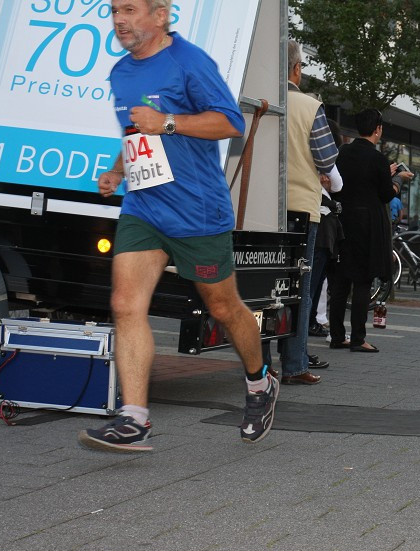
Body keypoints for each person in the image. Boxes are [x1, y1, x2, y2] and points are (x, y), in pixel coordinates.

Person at [79, 0, 277, 451]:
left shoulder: (189, 62)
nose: (119, 20)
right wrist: (118, 170)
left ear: (161, 15)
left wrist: (167, 121)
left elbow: (229, 123)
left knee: (224, 309)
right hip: (145, 207)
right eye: (114, 11)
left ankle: (260, 383)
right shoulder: (121, 72)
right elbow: (136, 134)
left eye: (130, 9)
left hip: (197, 214)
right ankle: (134, 418)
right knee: (126, 302)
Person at [275, 40, 338, 385]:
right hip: (300, 207)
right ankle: (295, 365)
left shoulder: (258, 101)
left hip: (259, 209)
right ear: (297, 68)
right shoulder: (310, 106)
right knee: (299, 288)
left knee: (263, 287)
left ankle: (257, 362)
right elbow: (327, 159)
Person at [330, 109, 412, 352]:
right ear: (377, 129)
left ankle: (337, 336)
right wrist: (398, 180)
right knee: (363, 281)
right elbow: (386, 194)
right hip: (367, 224)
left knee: (341, 281)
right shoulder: (377, 158)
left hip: (343, 220)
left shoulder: (342, 152)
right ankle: (358, 338)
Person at [307, 119, 344, 340]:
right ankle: (312, 322)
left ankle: (311, 321)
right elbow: (337, 184)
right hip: (319, 222)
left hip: (293, 218)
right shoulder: (323, 152)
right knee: (315, 281)